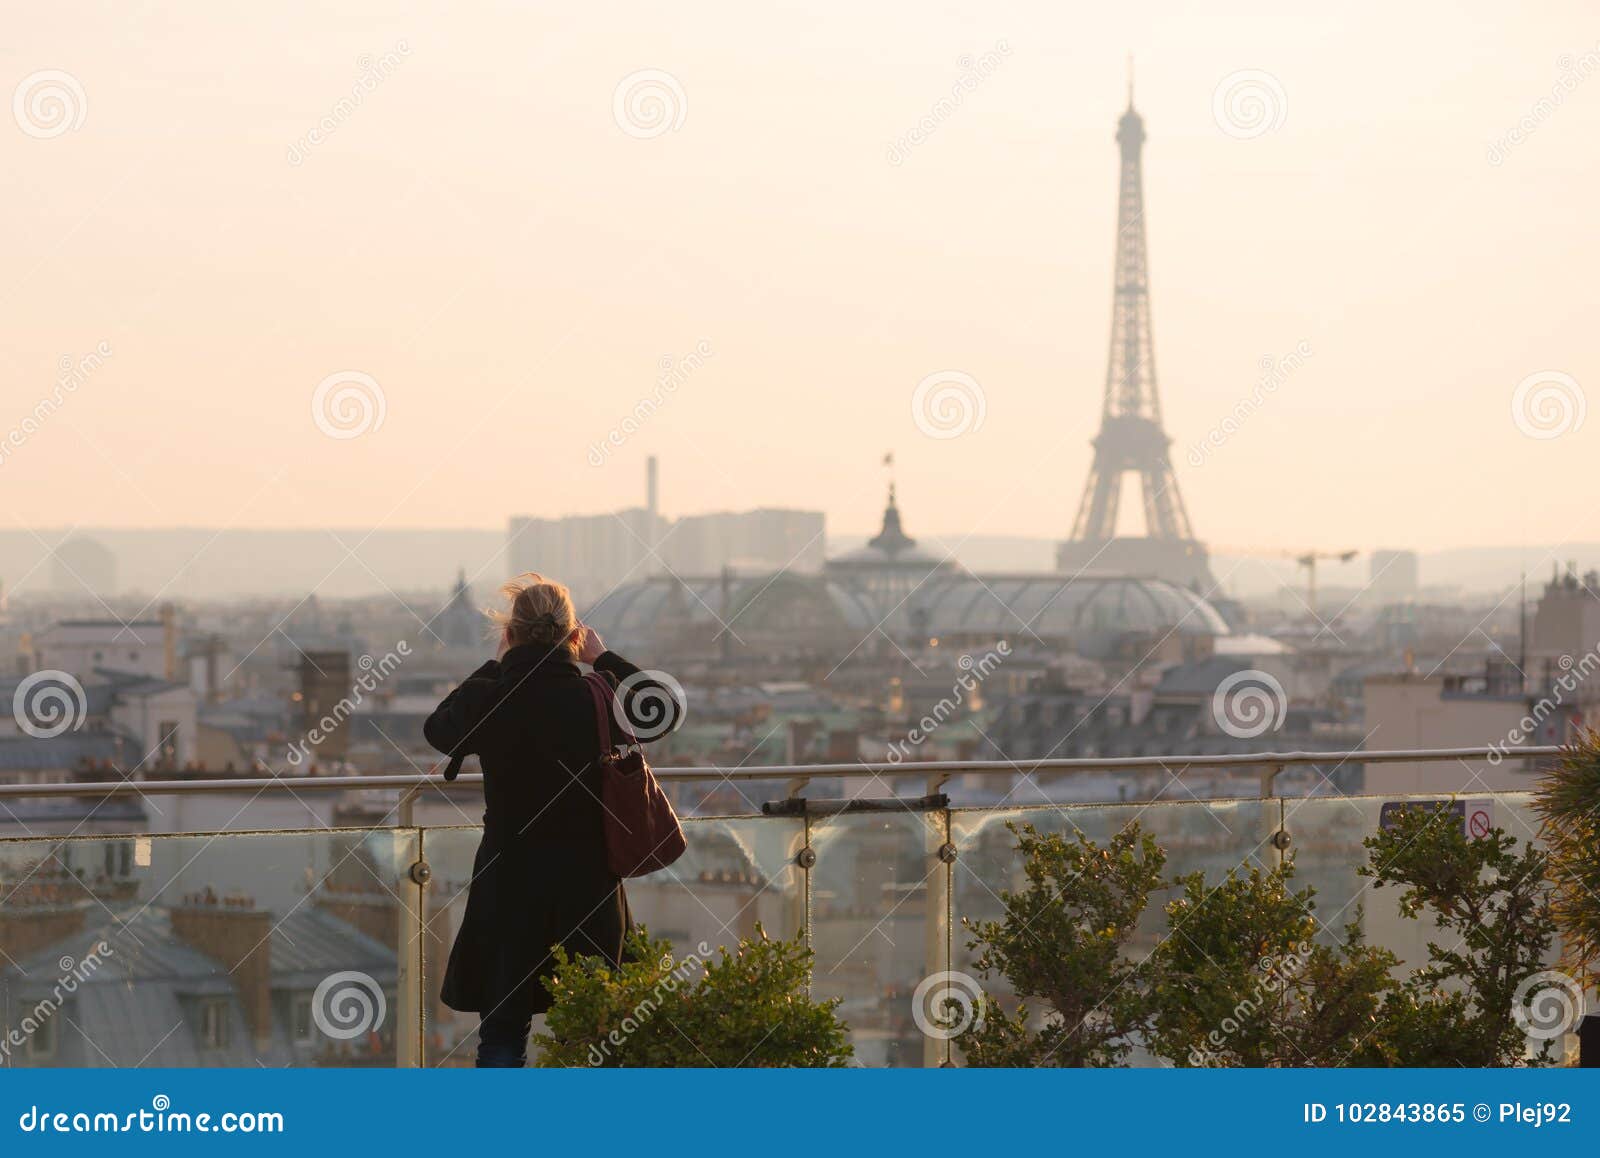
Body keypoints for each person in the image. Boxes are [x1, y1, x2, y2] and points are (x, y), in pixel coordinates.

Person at [423, 571, 682, 1067]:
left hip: (509, 877)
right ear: (573, 635)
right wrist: (602, 658)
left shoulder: (493, 696)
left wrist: (496, 667)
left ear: (510, 632)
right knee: (588, 1030)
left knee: (501, 1028)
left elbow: (439, 731)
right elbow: (664, 708)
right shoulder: (596, 695)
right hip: (587, 881)